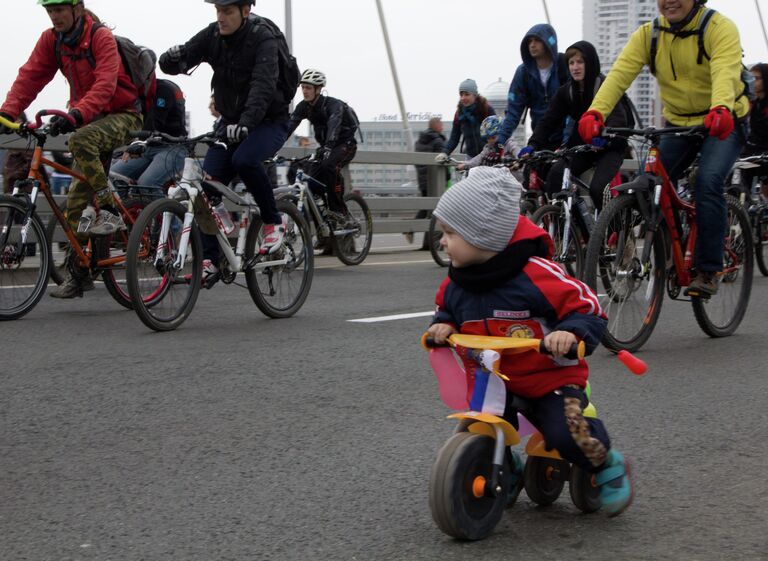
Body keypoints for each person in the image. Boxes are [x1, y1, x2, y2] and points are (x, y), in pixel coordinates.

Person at [425, 167, 633, 517]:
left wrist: (572, 332)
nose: (442, 241)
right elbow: (446, 310)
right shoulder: (457, 283)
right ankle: (504, 468)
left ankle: (607, 464)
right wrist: (442, 326)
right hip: (496, 380)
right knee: (477, 424)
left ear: (484, 236)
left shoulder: (537, 275)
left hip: (550, 378)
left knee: (569, 432)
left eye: (450, 232)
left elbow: (588, 305)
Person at [578, 0, 749, 297]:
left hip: (722, 120)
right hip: (679, 123)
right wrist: (596, 112)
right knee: (648, 185)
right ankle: (674, 247)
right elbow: (619, 75)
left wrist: (721, 106)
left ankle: (708, 269)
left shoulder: (720, 28)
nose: (669, 1)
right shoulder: (649, 34)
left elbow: (725, 72)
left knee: (708, 182)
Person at [0, 0, 143, 298]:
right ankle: (80, 274)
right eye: (50, 10)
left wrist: (77, 114)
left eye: (60, 9)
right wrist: (8, 113)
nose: (55, 16)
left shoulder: (100, 37)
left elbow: (105, 85)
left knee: (79, 140)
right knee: (75, 204)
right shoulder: (52, 40)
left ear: (77, 8)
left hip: (123, 115)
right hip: (89, 120)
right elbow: (31, 76)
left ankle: (107, 208)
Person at [160, 0, 292, 282]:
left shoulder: (263, 38)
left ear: (245, 11)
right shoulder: (213, 35)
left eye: (228, 11)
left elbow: (263, 85)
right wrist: (171, 59)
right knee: (207, 183)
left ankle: (273, 221)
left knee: (244, 159)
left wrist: (246, 122)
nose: (221, 17)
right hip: (232, 123)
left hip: (270, 120)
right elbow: (180, 60)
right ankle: (211, 259)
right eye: (218, 11)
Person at [520, 41, 630, 212]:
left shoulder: (604, 86)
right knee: (555, 178)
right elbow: (548, 121)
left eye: (580, 62)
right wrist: (532, 145)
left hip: (610, 145)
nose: (575, 67)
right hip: (584, 145)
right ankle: (573, 229)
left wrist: (604, 138)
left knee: (598, 188)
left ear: (590, 63)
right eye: (571, 63)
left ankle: (609, 231)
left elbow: (618, 120)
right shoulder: (567, 92)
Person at [286, 68, 358, 220]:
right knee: (298, 173)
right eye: (303, 87)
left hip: (345, 143)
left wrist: (329, 146)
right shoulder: (303, 106)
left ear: (318, 89)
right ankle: (322, 225)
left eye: (308, 88)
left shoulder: (333, 105)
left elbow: (334, 124)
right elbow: (288, 128)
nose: (304, 91)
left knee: (329, 166)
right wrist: (271, 147)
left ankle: (339, 210)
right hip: (326, 147)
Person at [496, 24, 569, 154]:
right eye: (529, 41)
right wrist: (499, 142)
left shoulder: (565, 65)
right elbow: (513, 112)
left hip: (567, 140)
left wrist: (567, 140)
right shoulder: (523, 73)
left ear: (549, 42)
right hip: (539, 139)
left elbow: (573, 108)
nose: (532, 45)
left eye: (537, 40)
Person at [111, 79, 188, 187]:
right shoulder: (137, 92)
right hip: (148, 147)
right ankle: (129, 203)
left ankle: (163, 204)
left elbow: (155, 122)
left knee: (147, 184)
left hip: (171, 147)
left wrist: (136, 144)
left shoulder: (164, 90)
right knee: (112, 177)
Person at [435, 79, 495, 161]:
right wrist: (445, 153)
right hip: (471, 157)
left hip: (488, 156)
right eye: (461, 95)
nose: (463, 98)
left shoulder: (486, 109)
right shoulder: (459, 114)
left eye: (467, 94)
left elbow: (496, 133)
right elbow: (454, 137)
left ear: (475, 95)